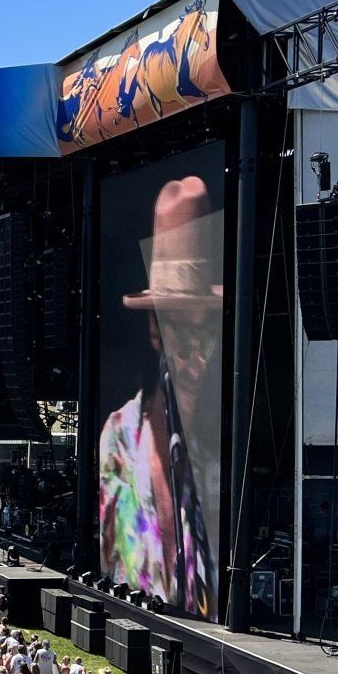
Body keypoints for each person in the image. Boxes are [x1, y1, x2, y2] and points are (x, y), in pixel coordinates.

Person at [96, 172, 225, 615]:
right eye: (180, 335)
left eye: (204, 335)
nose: (194, 359)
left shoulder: (219, 450)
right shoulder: (117, 440)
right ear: (155, 331)